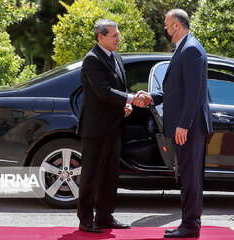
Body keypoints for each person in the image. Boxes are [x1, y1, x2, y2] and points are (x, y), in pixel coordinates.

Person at [135, 9, 213, 238]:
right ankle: (189, 223)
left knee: (190, 177)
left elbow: (193, 93)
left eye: (167, 27)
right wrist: (152, 97)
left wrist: (184, 125)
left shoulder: (190, 49)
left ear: (177, 25)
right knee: (188, 175)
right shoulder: (187, 47)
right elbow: (176, 89)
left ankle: (190, 225)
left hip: (188, 128)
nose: (166, 31)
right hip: (186, 125)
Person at [76, 19, 148, 233]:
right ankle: (86, 220)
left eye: (118, 34)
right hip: (96, 128)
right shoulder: (92, 60)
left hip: (114, 125)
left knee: (110, 175)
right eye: (114, 35)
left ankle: (105, 216)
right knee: (91, 175)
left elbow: (116, 89)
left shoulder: (116, 57)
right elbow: (104, 91)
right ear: (101, 37)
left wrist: (124, 106)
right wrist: (131, 99)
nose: (119, 38)